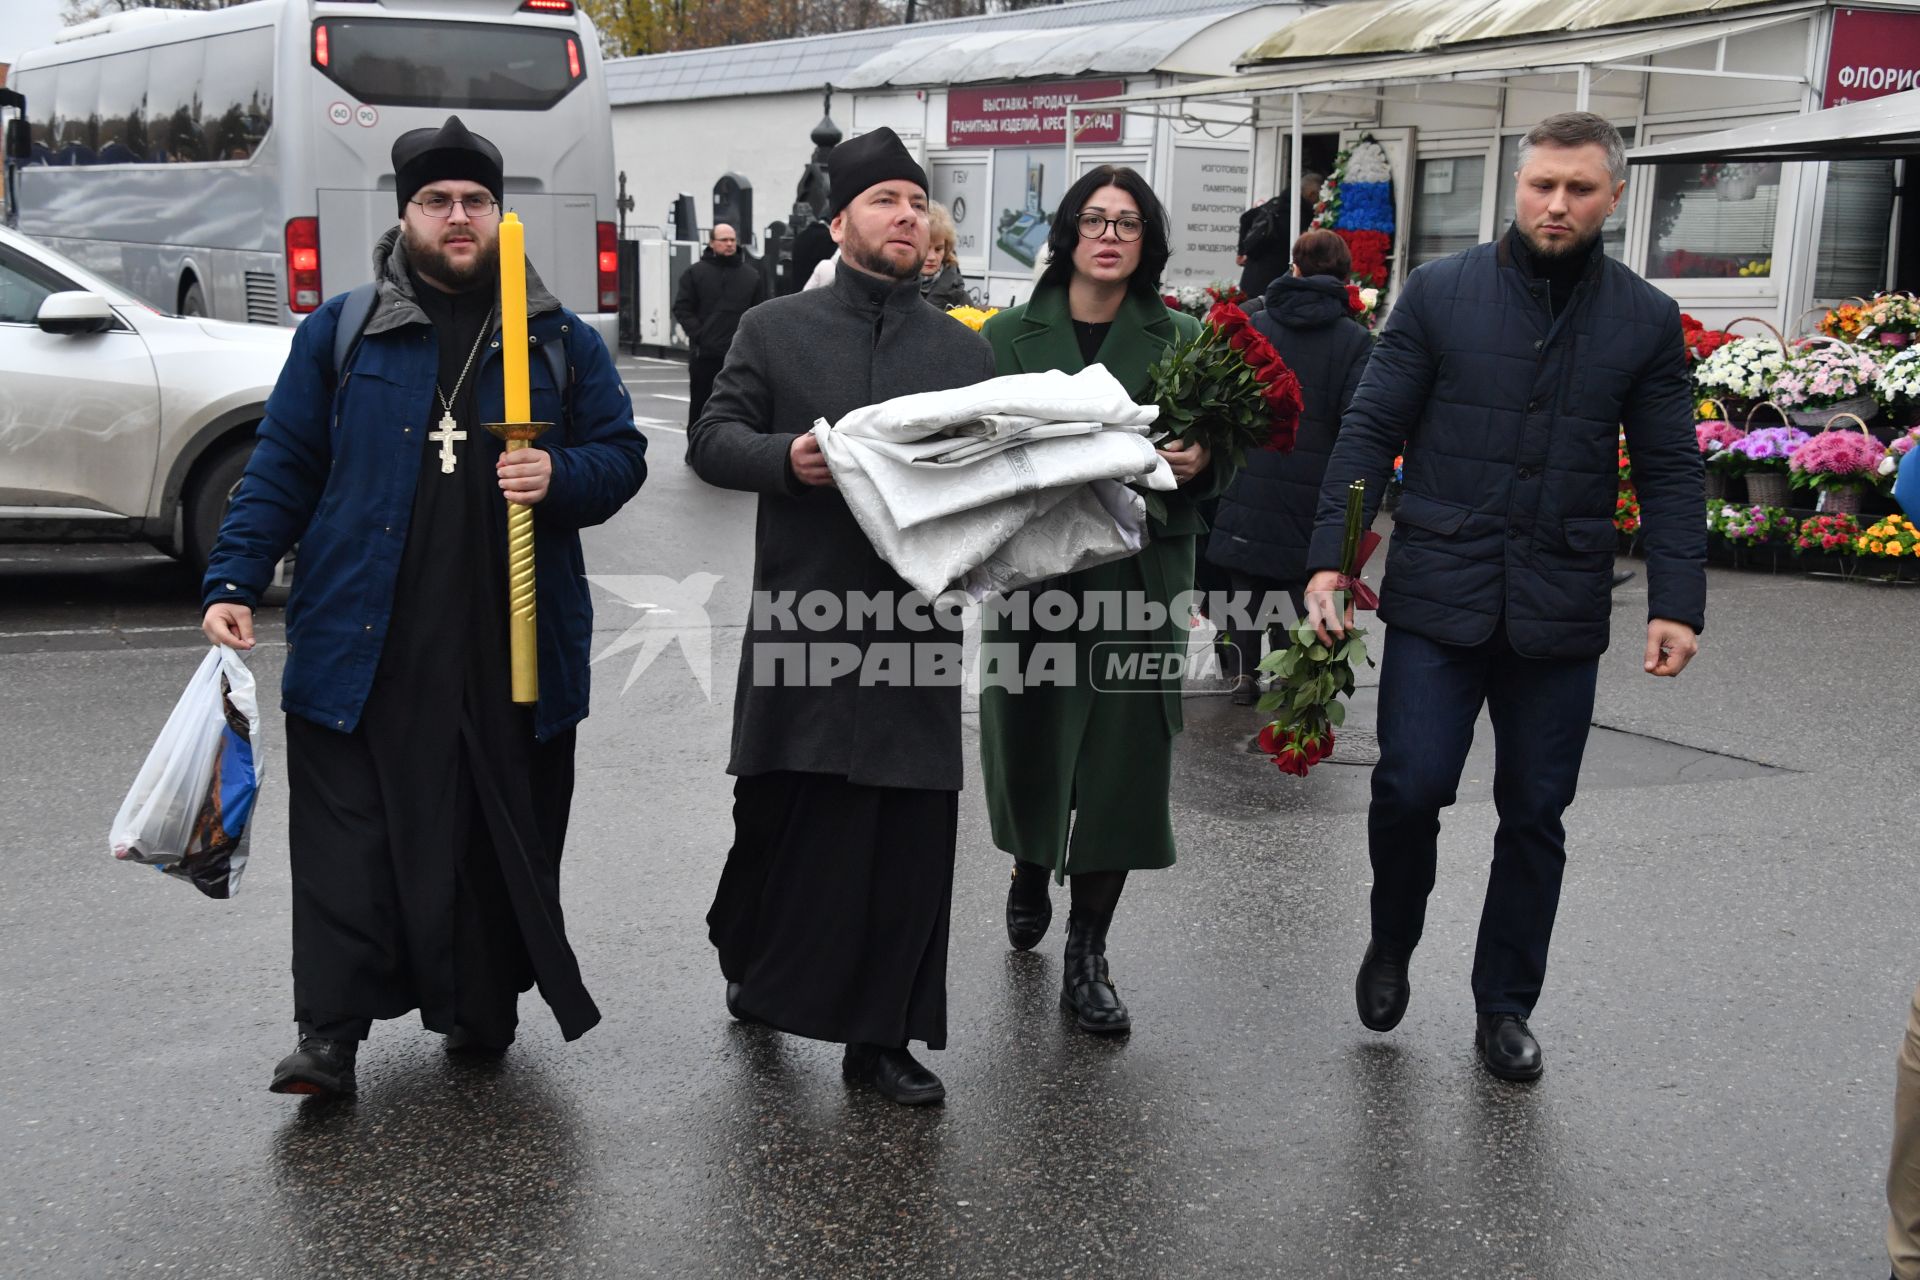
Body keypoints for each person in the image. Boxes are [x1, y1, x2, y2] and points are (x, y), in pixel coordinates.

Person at [199, 116, 648, 1098]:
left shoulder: (557, 337)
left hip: (510, 647)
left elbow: (624, 457)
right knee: (349, 843)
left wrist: (559, 472)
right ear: (404, 214)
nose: (458, 216)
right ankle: (328, 1036)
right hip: (365, 642)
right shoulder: (344, 331)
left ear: (499, 214)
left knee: (494, 840)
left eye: (475, 201)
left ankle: (480, 1006)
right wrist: (233, 577)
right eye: (437, 200)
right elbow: (284, 463)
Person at [1302, 112, 1704, 1083]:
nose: (1555, 203)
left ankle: (1505, 1004)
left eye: (1577, 188)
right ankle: (1392, 935)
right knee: (1409, 786)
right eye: (1540, 185)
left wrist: (1678, 598)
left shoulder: (1643, 319)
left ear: (1613, 196)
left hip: (1560, 605)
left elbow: (1671, 467)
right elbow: (1367, 435)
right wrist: (1335, 556)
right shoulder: (1441, 294)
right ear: (1516, 187)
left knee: (1535, 812)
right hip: (1442, 591)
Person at [688, 127, 997, 1107]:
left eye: (916, 202)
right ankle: (754, 956)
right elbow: (711, 439)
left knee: (906, 838)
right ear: (841, 222)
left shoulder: (960, 351)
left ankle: (883, 1038)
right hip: (803, 625)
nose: (904, 216)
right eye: (883, 201)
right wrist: (790, 460)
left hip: (915, 632)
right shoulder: (776, 329)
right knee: (779, 821)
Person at [978, 165, 1213, 1036]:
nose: (1110, 235)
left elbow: (1226, 452)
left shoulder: (1184, 336)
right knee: (1032, 744)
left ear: (1147, 240)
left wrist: (1203, 463)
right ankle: (1030, 867)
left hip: (1139, 579)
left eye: (1128, 222)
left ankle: (1089, 954)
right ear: (1069, 233)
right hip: (1034, 577)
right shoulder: (1006, 335)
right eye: (1094, 219)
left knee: (1121, 765)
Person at [1208, 228, 1371, 705]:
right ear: (1345, 278)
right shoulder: (1355, 340)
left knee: (1244, 576)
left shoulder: (1254, 324)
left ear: (1294, 268)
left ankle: (1242, 673)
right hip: (1314, 480)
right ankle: (1288, 667)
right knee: (1295, 578)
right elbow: (1356, 419)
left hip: (1251, 473)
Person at [672, 222, 766, 458]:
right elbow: (682, 308)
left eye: (732, 240)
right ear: (712, 243)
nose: (729, 244)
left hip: (739, 355)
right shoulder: (695, 273)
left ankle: (734, 454)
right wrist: (700, 334)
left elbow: (760, 311)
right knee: (701, 403)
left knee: (740, 407)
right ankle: (695, 451)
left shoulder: (751, 276)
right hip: (705, 354)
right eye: (724, 240)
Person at [1237, 174, 1322, 299]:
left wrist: (1241, 251)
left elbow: (1246, 218)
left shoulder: (1275, 203)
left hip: (1252, 278)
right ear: (1312, 194)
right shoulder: (1297, 215)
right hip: (1271, 283)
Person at [919, 202, 970, 310]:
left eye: (938, 249)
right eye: (925, 248)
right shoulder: (892, 289)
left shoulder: (959, 297)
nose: (932, 257)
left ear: (946, 250)